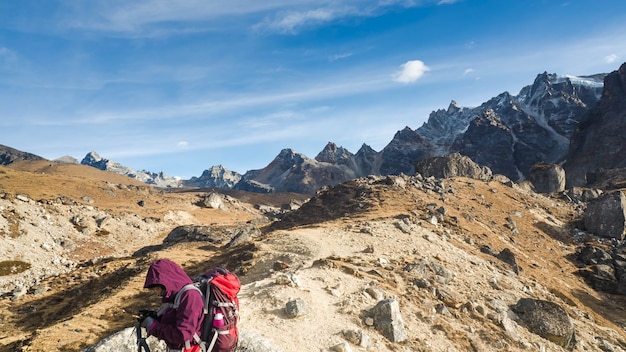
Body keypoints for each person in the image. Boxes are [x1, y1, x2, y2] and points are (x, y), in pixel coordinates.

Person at [140, 258, 204, 352]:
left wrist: (153, 326)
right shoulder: (176, 296)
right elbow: (176, 319)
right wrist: (156, 318)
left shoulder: (190, 296)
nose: (157, 293)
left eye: (158, 288)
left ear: (166, 282)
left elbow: (182, 335)